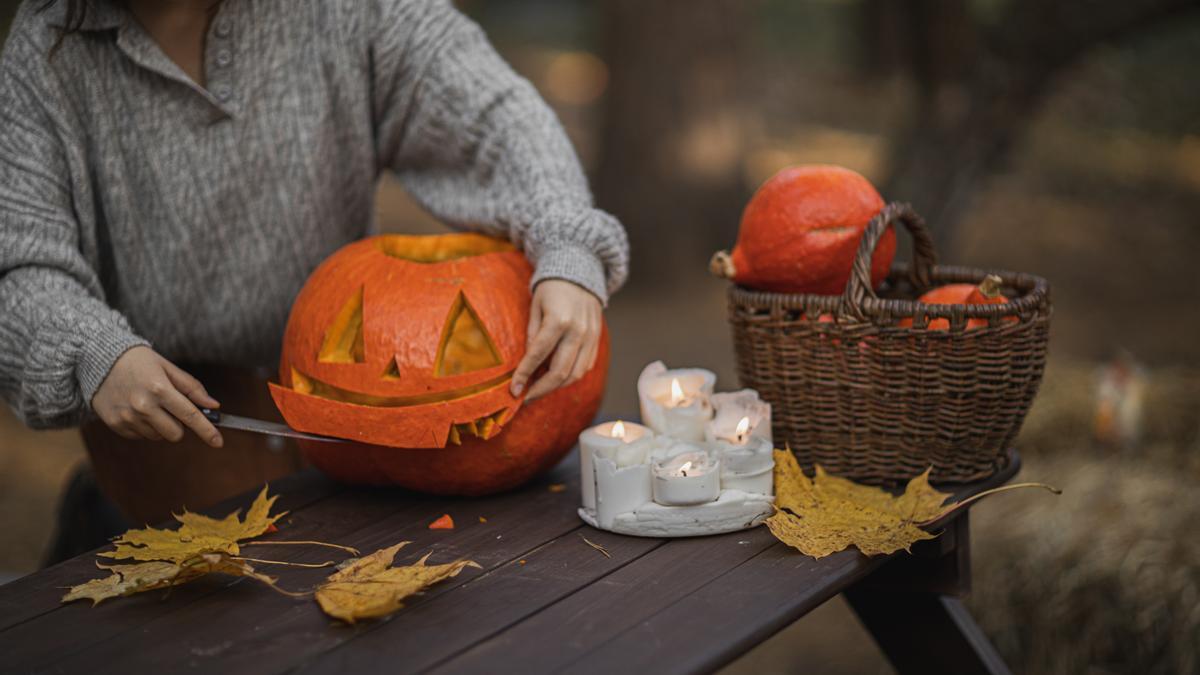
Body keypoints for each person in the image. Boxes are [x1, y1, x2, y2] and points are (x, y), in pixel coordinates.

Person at [0, 0, 628, 535]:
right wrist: (94, 352)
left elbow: (496, 117)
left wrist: (566, 243)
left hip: (351, 450)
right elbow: (19, 261)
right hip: (163, 444)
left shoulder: (349, 10)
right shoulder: (46, 53)